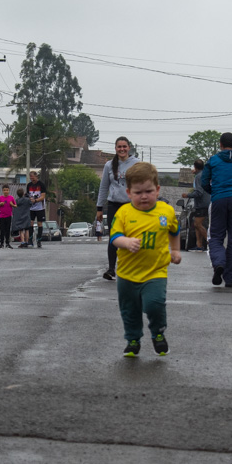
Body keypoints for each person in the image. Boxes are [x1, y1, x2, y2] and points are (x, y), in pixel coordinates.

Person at [109, 161, 181, 357]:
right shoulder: (124, 213)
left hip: (155, 272)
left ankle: (158, 333)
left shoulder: (166, 211)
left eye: (148, 191)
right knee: (129, 310)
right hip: (127, 274)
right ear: (128, 193)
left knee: (154, 305)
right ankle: (132, 340)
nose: (144, 197)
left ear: (157, 190)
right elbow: (114, 237)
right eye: (138, 192)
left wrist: (175, 250)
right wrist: (126, 242)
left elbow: (174, 230)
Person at [200, 132, 232, 288]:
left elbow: (204, 182)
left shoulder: (213, 160)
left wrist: (214, 191)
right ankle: (230, 278)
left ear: (220, 144)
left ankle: (219, 264)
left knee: (216, 236)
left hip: (218, 200)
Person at [96, 137, 140, 280]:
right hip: (114, 205)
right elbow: (103, 187)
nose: (122, 149)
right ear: (115, 148)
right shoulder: (109, 165)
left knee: (131, 236)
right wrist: (99, 207)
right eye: (119, 147)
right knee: (114, 238)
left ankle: (131, 267)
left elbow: (142, 184)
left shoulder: (136, 163)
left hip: (131, 205)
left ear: (129, 148)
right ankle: (111, 269)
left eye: (124, 146)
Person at [181, 159, 210, 252]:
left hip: (202, 203)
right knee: (197, 224)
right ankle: (199, 245)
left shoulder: (198, 177)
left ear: (195, 167)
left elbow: (199, 192)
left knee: (197, 224)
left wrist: (188, 195)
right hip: (206, 202)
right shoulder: (203, 174)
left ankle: (210, 242)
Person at [26, 170, 47, 248]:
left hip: (40, 207)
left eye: (33, 177)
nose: (32, 179)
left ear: (36, 176)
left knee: (39, 224)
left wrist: (35, 200)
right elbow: (28, 194)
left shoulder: (41, 185)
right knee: (30, 223)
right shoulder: (29, 185)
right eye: (30, 177)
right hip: (31, 208)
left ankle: (39, 240)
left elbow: (43, 196)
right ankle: (30, 239)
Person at [0, 185, 16, 249]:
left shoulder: (11, 198)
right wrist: (0, 204)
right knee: (2, 230)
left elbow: (15, 205)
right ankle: (1, 243)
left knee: (8, 229)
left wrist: (12, 204)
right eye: (4, 190)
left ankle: (7, 243)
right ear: (2, 191)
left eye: (7, 190)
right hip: (2, 216)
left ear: (9, 190)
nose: (6, 192)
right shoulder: (0, 198)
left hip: (9, 215)